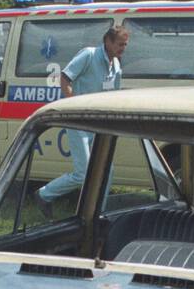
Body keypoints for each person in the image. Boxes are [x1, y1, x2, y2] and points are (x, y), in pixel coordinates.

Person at [35, 25, 129, 217]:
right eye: (120, 44)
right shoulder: (89, 55)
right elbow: (64, 79)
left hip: (100, 124)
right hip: (80, 122)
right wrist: (74, 108)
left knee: (107, 170)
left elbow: (114, 96)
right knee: (84, 173)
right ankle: (44, 195)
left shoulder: (117, 65)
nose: (123, 48)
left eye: (125, 45)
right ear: (107, 42)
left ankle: (98, 212)